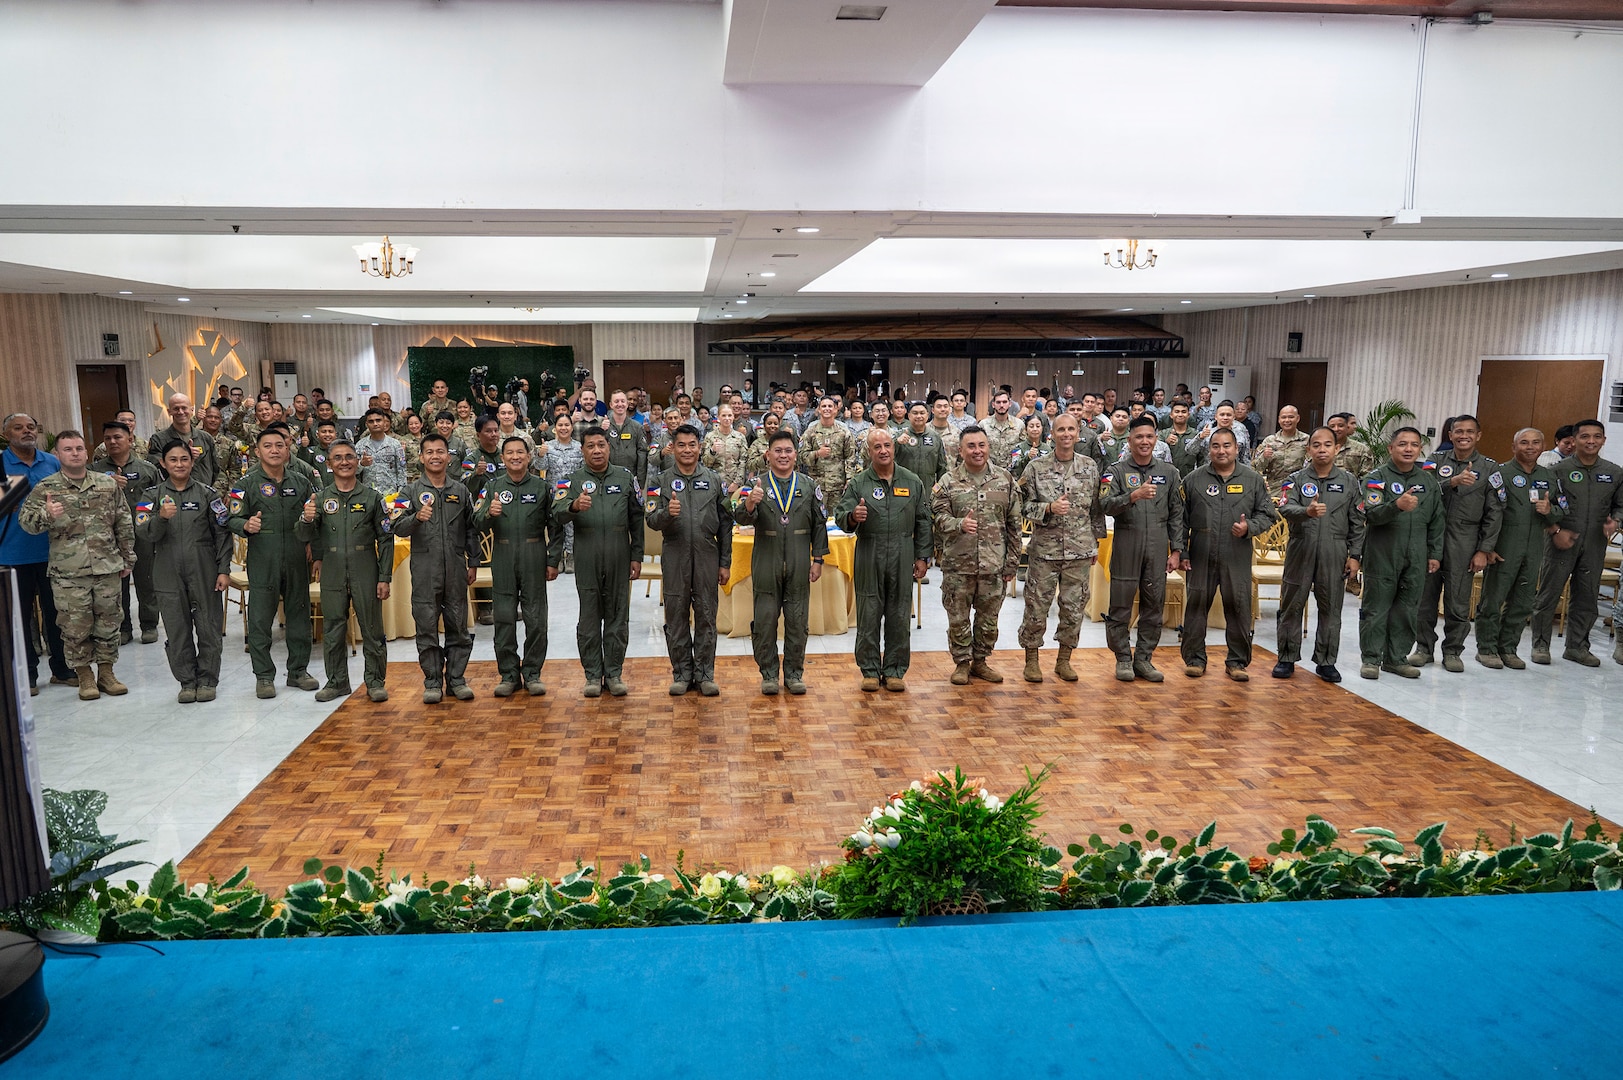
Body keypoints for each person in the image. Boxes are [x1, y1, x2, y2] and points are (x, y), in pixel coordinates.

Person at [18, 430, 136, 701]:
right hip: (69, 572)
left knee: (109, 622)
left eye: (79, 448)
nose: (75, 453)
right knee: (75, 625)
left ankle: (106, 673)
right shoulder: (46, 488)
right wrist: (46, 515)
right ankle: (84, 676)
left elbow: (123, 522)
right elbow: (26, 522)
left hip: (106, 567)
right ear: (57, 455)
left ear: (86, 452)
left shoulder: (106, 485)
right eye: (68, 449)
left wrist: (128, 558)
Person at [296, 440, 394, 704]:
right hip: (333, 569)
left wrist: (384, 577)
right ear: (329, 464)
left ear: (357, 461)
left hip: (365, 567)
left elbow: (386, 539)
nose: (344, 462)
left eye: (349, 457)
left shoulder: (372, 498)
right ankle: (337, 682)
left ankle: (375, 682)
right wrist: (306, 518)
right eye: (337, 458)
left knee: (372, 629)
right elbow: (305, 534)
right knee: (333, 629)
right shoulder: (320, 498)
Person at [1177, 428, 1278, 680]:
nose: (1221, 451)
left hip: (1237, 553)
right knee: (1197, 608)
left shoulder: (1252, 480)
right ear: (1208, 449)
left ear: (1236, 448)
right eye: (1215, 446)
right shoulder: (1193, 480)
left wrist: (1249, 528)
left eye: (1226, 446)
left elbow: (1267, 515)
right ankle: (1194, 659)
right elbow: (1180, 520)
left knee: (1238, 607)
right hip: (1201, 553)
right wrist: (1183, 551)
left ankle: (1237, 662)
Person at [836, 428, 931, 692]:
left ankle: (894, 670)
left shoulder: (912, 481)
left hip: (902, 552)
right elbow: (841, 515)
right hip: (869, 551)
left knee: (899, 614)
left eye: (887, 445)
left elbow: (923, 521)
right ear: (869, 451)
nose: (883, 451)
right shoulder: (858, 483)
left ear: (894, 447)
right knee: (868, 614)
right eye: (876, 447)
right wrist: (853, 516)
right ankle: (869, 670)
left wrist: (923, 556)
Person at [733, 430, 829, 695]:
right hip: (766, 559)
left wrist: (818, 559)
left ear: (795, 455)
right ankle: (768, 674)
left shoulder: (809, 485)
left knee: (798, 621)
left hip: (799, 560)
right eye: (778, 451)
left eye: (788, 451)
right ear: (768, 455)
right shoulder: (754, 484)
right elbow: (739, 517)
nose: (783, 455)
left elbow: (819, 524)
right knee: (764, 620)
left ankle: (795, 674)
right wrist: (750, 505)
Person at [1010, 413, 1104, 682]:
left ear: (1077, 433)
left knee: (1073, 608)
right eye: (1060, 429)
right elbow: (1022, 507)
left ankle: (1064, 660)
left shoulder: (1089, 467)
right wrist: (1048, 508)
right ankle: (1031, 660)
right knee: (1036, 606)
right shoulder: (1036, 468)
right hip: (1045, 552)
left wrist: (1095, 542)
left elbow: (1095, 510)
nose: (1066, 434)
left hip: (1079, 550)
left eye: (1071, 429)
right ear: (1052, 433)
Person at [137, 440, 232, 702]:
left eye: (184, 459)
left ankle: (208, 680)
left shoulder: (208, 494)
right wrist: (161, 517)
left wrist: (224, 569)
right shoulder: (151, 496)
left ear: (192, 462)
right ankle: (187, 681)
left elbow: (222, 533)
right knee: (177, 628)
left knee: (208, 625)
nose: (179, 464)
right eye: (173, 460)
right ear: (163, 464)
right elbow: (144, 533)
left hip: (203, 569)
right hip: (166, 569)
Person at [228, 426, 319, 698]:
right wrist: (246, 524)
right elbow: (229, 518)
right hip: (263, 558)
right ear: (257, 451)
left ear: (287, 448)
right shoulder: (244, 484)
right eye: (267, 446)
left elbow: (314, 518)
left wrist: (313, 547)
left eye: (279, 445)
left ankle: (298, 671)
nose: (274, 450)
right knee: (259, 619)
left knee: (299, 616)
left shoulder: (301, 482)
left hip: (295, 557)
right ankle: (264, 676)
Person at [554, 426, 644, 697]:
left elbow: (637, 518)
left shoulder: (626, 477)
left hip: (619, 552)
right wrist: (573, 507)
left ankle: (614, 673)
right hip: (586, 552)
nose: (596, 450)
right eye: (590, 446)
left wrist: (637, 555)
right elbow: (556, 513)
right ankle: (593, 675)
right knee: (590, 617)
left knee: (618, 616)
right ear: (582, 450)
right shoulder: (571, 480)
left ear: (609, 448)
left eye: (601, 445)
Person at [1409, 415, 1503, 671]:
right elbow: (1421, 488)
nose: (1464, 436)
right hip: (1431, 539)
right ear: (1450, 435)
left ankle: (1452, 652)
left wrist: (1484, 549)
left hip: (1466, 540)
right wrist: (1451, 482)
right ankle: (1423, 648)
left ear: (1478, 435)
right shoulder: (1436, 461)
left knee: (1458, 601)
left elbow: (1494, 512)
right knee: (1424, 599)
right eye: (1458, 431)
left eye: (1470, 432)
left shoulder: (1490, 468)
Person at [1528, 420, 1623, 667]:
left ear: (1603, 440)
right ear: (1574, 440)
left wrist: (1616, 522)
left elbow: (1620, 506)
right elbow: (1542, 505)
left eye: (1597, 437)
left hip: (1594, 543)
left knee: (1587, 597)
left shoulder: (1614, 472)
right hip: (1561, 541)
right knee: (1548, 595)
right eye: (1585, 437)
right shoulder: (1557, 470)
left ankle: (1577, 647)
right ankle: (1540, 645)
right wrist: (1554, 529)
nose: (1591, 441)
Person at [474, 435, 563, 698]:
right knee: (503, 617)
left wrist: (552, 559)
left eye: (520, 452)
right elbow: (475, 520)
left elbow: (556, 525)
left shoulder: (542, 487)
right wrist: (488, 513)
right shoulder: (491, 487)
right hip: (503, 553)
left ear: (529, 456)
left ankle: (533, 673)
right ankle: (509, 675)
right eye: (509, 453)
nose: (515, 457)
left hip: (534, 552)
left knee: (536, 618)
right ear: (502, 458)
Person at [1273, 427, 1364, 682]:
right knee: (1291, 605)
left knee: (1331, 607)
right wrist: (1306, 512)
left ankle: (1326, 661)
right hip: (1301, 547)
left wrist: (1355, 555)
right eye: (1316, 445)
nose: (1321, 449)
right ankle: (1286, 658)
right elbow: (1285, 507)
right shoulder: (1296, 479)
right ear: (1308, 449)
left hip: (1334, 551)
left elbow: (1357, 522)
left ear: (1336, 449)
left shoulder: (1349, 482)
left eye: (1327, 445)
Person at [932, 425, 1021, 685]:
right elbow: (936, 518)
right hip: (958, 566)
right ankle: (961, 662)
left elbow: (1015, 525)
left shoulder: (1005, 480)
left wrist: (1011, 563)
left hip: (994, 565)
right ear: (960, 451)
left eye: (981, 445)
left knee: (988, 620)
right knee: (958, 618)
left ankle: (980, 662)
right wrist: (958, 524)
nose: (977, 451)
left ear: (988, 447)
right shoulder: (948, 482)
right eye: (971, 446)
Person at [646, 424, 731, 696]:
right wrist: (667, 514)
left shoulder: (715, 479)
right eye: (681, 444)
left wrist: (725, 562)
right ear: (673, 447)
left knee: (706, 614)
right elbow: (651, 519)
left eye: (692, 444)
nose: (687, 450)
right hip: (675, 553)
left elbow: (726, 524)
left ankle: (705, 674)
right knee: (676, 616)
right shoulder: (659, 481)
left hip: (708, 554)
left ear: (700, 446)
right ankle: (682, 673)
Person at [394, 433, 478, 703]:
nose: (435, 456)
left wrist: (473, 561)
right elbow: (395, 525)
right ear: (421, 457)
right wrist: (416, 518)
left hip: (455, 568)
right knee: (427, 627)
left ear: (448, 456)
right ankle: (432, 682)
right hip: (425, 570)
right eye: (429, 452)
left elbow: (471, 530)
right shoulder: (409, 492)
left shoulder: (461, 491)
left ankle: (456, 680)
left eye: (440, 451)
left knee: (457, 626)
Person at [1101, 415, 1186, 683]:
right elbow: (1104, 505)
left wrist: (1176, 550)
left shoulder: (1169, 473)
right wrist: (1132, 496)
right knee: (1120, 605)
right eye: (1139, 437)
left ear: (1156, 439)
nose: (1145, 441)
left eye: (1149, 436)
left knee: (1153, 605)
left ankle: (1144, 659)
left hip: (1158, 544)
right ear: (1129, 440)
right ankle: (1123, 658)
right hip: (1127, 540)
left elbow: (1177, 514)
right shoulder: (1115, 471)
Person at [1356, 427, 1444, 680]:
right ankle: (1371, 659)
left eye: (1414, 445)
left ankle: (1396, 659)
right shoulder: (1376, 479)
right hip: (1383, 552)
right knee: (1376, 608)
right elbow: (1370, 514)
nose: (1408, 449)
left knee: (1407, 609)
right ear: (1390, 448)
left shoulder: (1428, 481)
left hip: (1417, 553)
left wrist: (1434, 554)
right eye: (1403, 444)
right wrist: (1396, 506)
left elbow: (1438, 521)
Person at [1475, 427, 1563, 670]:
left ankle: (1508, 648)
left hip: (1534, 548)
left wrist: (1550, 512)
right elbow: (1488, 513)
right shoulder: (1500, 474)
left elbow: (1562, 509)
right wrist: (1487, 547)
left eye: (1536, 442)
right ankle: (1486, 648)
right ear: (1514, 447)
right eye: (1524, 442)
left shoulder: (1549, 476)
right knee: (1493, 600)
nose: (1530, 447)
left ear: (1543, 446)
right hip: (1504, 546)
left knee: (1523, 602)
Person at [1, 413, 73, 694]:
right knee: (19, 620)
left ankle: (62, 669)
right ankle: (27, 675)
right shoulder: (0, 463)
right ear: (7, 434)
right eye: (18, 428)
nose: (26, 431)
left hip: (51, 552)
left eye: (31, 427)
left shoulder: (52, 462)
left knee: (57, 614)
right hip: (11, 553)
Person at [98, 420, 163, 645]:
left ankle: (149, 624)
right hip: (109, 537)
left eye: (117, 437)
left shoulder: (147, 469)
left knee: (146, 581)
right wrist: (106, 483)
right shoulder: (95, 471)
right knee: (117, 585)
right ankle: (123, 628)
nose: (113, 441)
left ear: (130, 440)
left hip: (142, 535)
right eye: (108, 438)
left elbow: (159, 500)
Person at [797, 395, 858, 512]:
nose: (827, 409)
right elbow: (801, 457)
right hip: (816, 484)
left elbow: (850, 457)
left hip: (838, 485)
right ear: (819, 410)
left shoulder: (843, 431)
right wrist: (817, 453)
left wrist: (849, 480)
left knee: (837, 520)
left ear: (836, 409)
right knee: (817, 518)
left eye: (830, 406)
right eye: (823, 406)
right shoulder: (810, 431)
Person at [148, 393, 216, 487]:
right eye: (176, 408)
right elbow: (154, 470)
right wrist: (182, 456)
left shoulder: (206, 438)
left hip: (203, 494)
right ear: (169, 411)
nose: (180, 412)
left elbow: (216, 469)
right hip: (173, 495)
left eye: (184, 408)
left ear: (191, 410)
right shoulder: (159, 439)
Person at [894, 401, 949, 497]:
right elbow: (888, 459)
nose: (919, 416)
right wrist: (897, 443)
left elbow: (942, 468)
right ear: (909, 416)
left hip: (927, 490)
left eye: (922, 413)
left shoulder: (935, 437)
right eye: (915, 413)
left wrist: (937, 490)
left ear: (927, 415)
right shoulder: (900, 436)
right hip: (903, 489)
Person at [1254, 405, 1309, 497]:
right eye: (1283, 417)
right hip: (1274, 489)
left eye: (1291, 417)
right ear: (1279, 420)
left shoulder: (1306, 440)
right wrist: (1264, 457)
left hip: (1298, 488)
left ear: (1298, 418)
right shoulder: (1269, 441)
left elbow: (1311, 466)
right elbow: (1257, 468)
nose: (1287, 420)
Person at [603, 390, 650, 490]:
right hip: (608, 478)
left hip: (631, 479)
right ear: (611, 405)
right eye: (616, 402)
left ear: (627, 404)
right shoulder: (604, 427)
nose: (620, 404)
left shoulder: (637, 427)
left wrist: (640, 484)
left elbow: (642, 455)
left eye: (622, 401)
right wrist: (602, 431)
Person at [357, 407, 408, 496]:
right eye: (371, 421)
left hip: (391, 494)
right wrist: (361, 464)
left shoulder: (395, 444)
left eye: (378, 420)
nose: (375, 424)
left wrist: (401, 494)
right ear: (366, 424)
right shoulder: (360, 445)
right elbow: (352, 471)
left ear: (384, 423)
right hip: (368, 495)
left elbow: (402, 471)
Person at [701, 403, 750, 492]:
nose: (727, 418)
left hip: (735, 485)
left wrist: (737, 483)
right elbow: (706, 464)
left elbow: (743, 462)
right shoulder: (710, 436)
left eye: (729, 415)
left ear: (733, 417)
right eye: (723, 415)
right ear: (718, 417)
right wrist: (713, 451)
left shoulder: (740, 437)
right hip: (715, 483)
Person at [1162, 400, 1207, 479]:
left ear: (1188, 415)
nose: (1180, 414)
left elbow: (1201, 460)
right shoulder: (1163, 434)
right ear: (1171, 415)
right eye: (1177, 412)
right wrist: (1165, 443)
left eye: (1183, 412)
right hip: (1167, 477)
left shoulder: (1196, 435)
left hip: (1190, 478)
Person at [981, 391, 1023, 465]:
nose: (1001, 405)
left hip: (1012, 472)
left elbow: (1022, 448)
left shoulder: (1019, 425)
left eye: (1004, 402)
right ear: (993, 405)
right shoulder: (983, 425)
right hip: (990, 471)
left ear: (1010, 404)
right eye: (998, 402)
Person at [1328, 412, 1375, 477]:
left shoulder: (1362, 449)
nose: (1336, 429)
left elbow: (1367, 477)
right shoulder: (1321, 448)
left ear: (1347, 428)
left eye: (1340, 426)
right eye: (1332, 426)